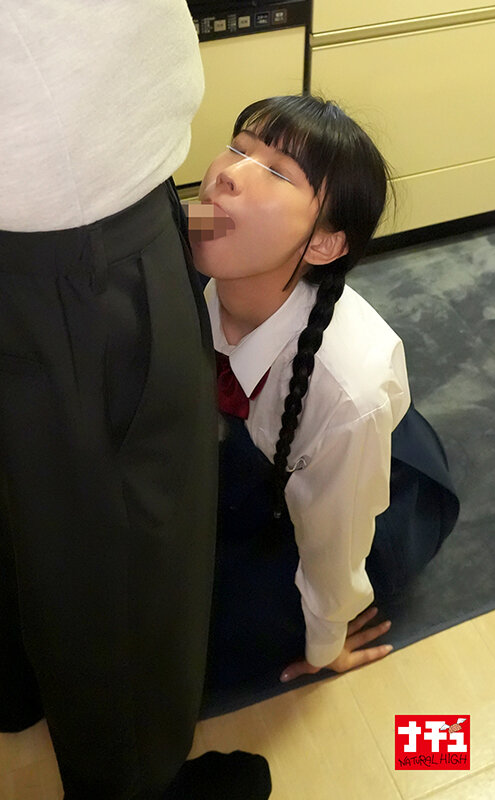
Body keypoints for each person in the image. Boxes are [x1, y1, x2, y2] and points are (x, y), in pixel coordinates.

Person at [0, 3, 271, 798]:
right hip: (83, 237)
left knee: (30, 492)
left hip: (45, 207)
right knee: (133, 539)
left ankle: (19, 682)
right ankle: (134, 782)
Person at [183, 94, 459, 700]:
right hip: (253, 456)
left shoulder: (347, 389)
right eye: (236, 148)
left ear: (324, 244)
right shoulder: (192, 256)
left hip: (363, 483)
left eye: (277, 172)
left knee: (199, 645)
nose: (227, 173)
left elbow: (335, 542)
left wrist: (326, 643)